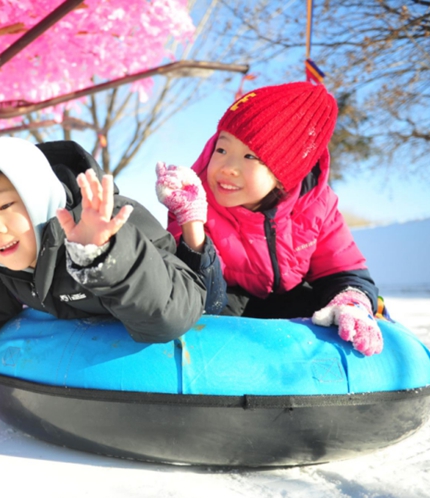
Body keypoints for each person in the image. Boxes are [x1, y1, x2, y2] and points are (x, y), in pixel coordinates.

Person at [0, 137, 206, 374]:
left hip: (211, 307)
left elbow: (173, 315)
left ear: (38, 196)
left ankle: (191, 217)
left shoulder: (109, 219)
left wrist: (101, 254)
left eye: (6, 205)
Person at [155, 81, 384, 356]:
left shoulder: (316, 205)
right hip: (224, 301)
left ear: (283, 172)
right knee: (211, 316)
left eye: (250, 156)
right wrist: (192, 224)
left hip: (291, 302)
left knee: (333, 307)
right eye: (222, 149)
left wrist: (352, 301)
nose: (228, 168)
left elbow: (343, 270)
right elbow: (198, 297)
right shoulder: (193, 198)